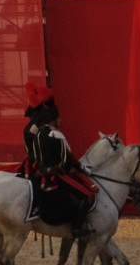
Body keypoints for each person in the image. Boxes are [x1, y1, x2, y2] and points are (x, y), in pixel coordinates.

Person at [20, 82, 98, 238]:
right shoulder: (56, 134)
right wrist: (81, 168)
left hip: (39, 173)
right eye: (59, 118)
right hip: (56, 175)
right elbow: (66, 159)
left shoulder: (37, 135)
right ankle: (77, 227)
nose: (61, 121)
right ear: (54, 119)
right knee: (88, 195)